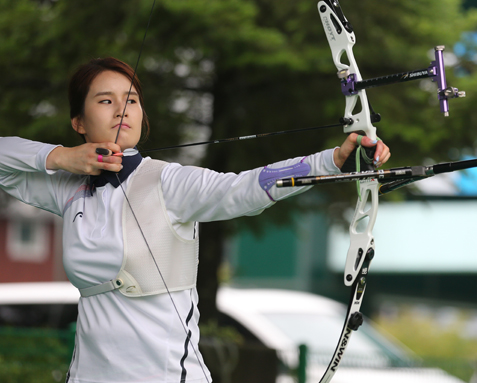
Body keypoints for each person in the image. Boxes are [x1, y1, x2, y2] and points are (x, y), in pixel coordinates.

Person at [0, 57, 390, 383]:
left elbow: (245, 189)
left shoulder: (168, 182)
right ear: (79, 122)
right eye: (105, 101)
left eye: (132, 99)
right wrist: (60, 157)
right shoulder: (68, 190)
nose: (122, 109)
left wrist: (333, 161)